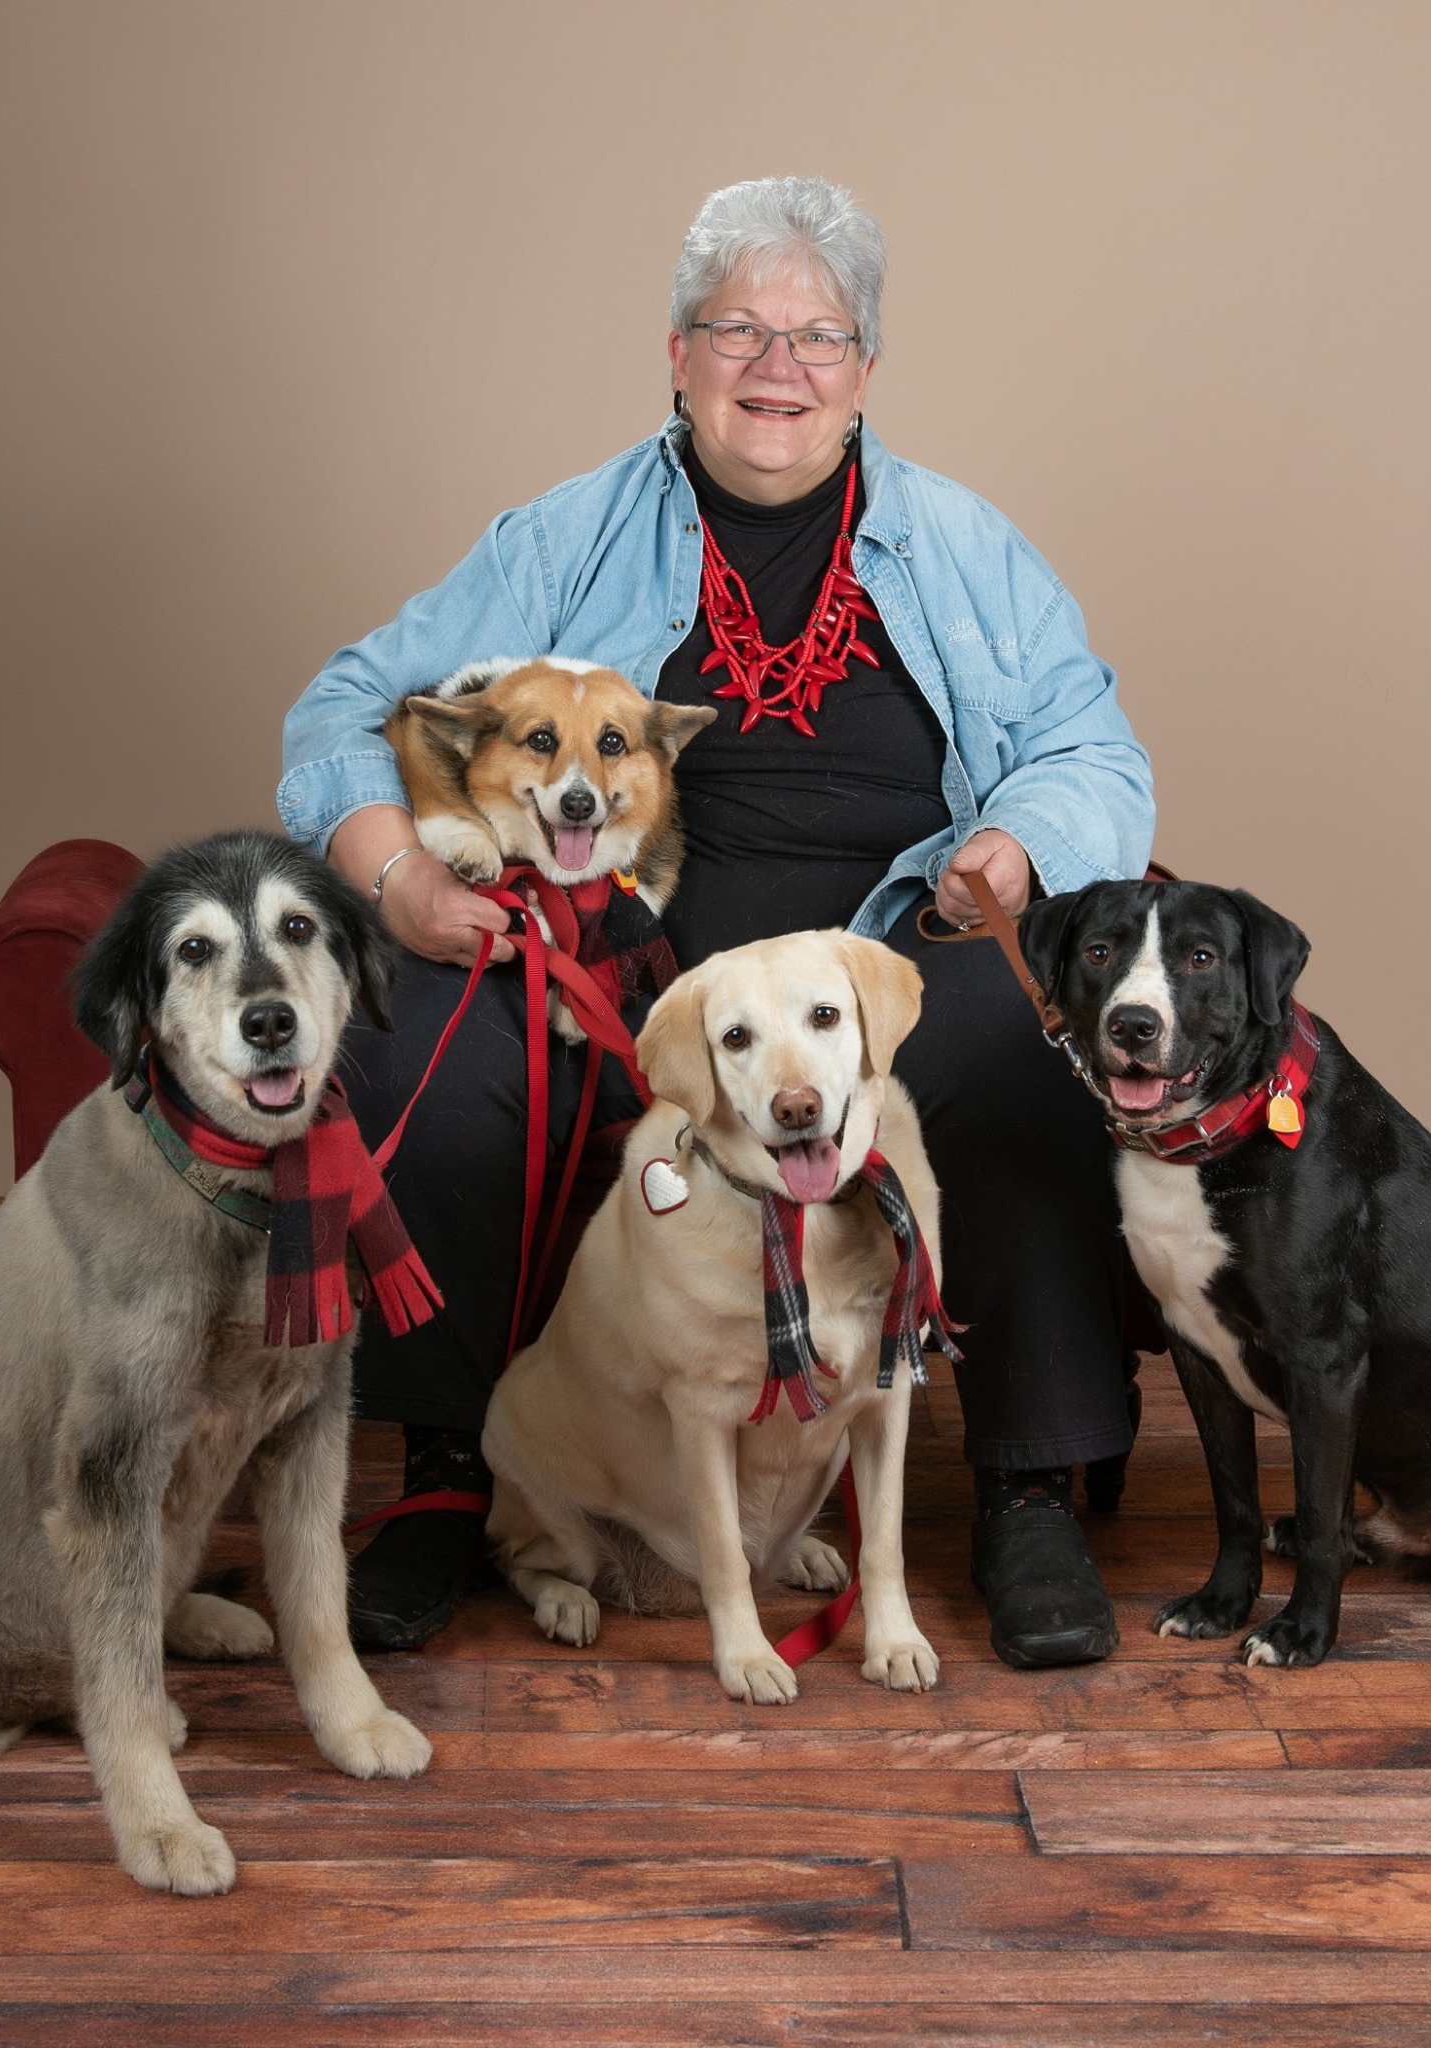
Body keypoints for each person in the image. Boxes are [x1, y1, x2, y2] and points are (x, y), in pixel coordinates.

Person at [279, 176, 1155, 1669]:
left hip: (885, 963)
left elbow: (1094, 747)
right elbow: (343, 710)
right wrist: (399, 877)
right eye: (737, 329)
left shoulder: (960, 547)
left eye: (819, 337)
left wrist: (1016, 844)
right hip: (614, 974)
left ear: (867, 368)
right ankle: (446, 1476)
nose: (778, 366)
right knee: (425, 1034)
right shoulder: (567, 536)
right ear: (676, 355)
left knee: (1017, 1052)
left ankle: (1025, 1485)